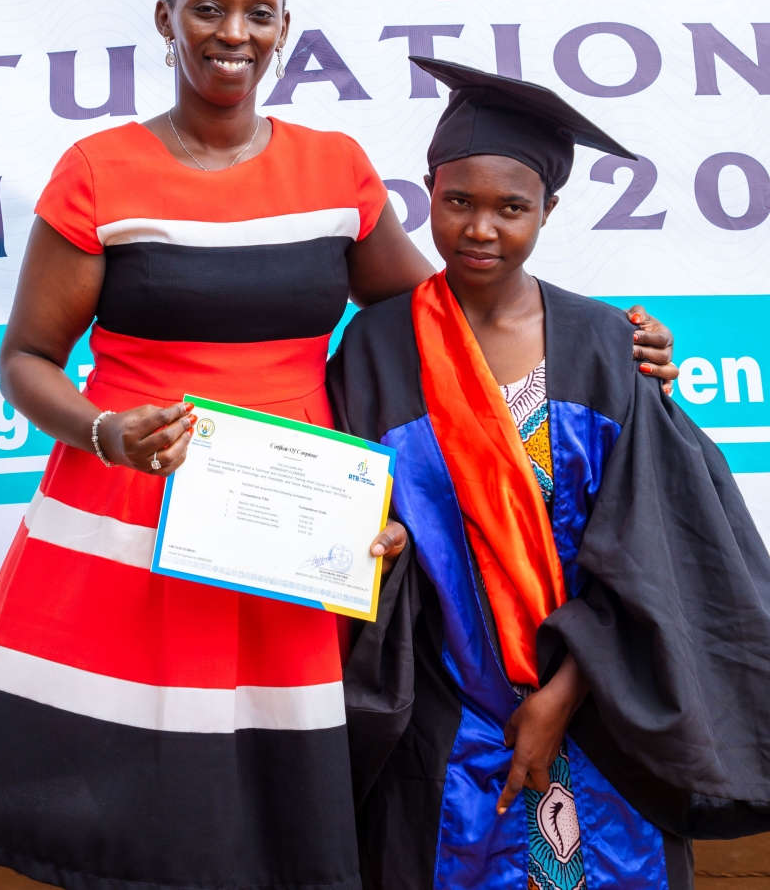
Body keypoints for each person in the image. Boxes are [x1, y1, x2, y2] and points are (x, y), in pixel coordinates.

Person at [0, 0, 677, 890]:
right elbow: (26, 358)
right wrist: (105, 432)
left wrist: (605, 342)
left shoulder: (332, 171)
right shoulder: (100, 174)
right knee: (128, 795)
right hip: (130, 509)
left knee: (270, 797)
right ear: (166, 18)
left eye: (257, 11)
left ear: (283, 29)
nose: (232, 31)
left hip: (291, 520)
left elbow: (440, 311)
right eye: (208, 7)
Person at [329, 59, 770, 890]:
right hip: (446, 711)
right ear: (427, 191)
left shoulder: (608, 345)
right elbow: (360, 509)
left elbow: (651, 550)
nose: (480, 229)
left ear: (549, 212)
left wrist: (564, 692)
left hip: (601, 714)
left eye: (512, 209)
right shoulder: (379, 349)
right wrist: (376, 536)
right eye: (457, 202)